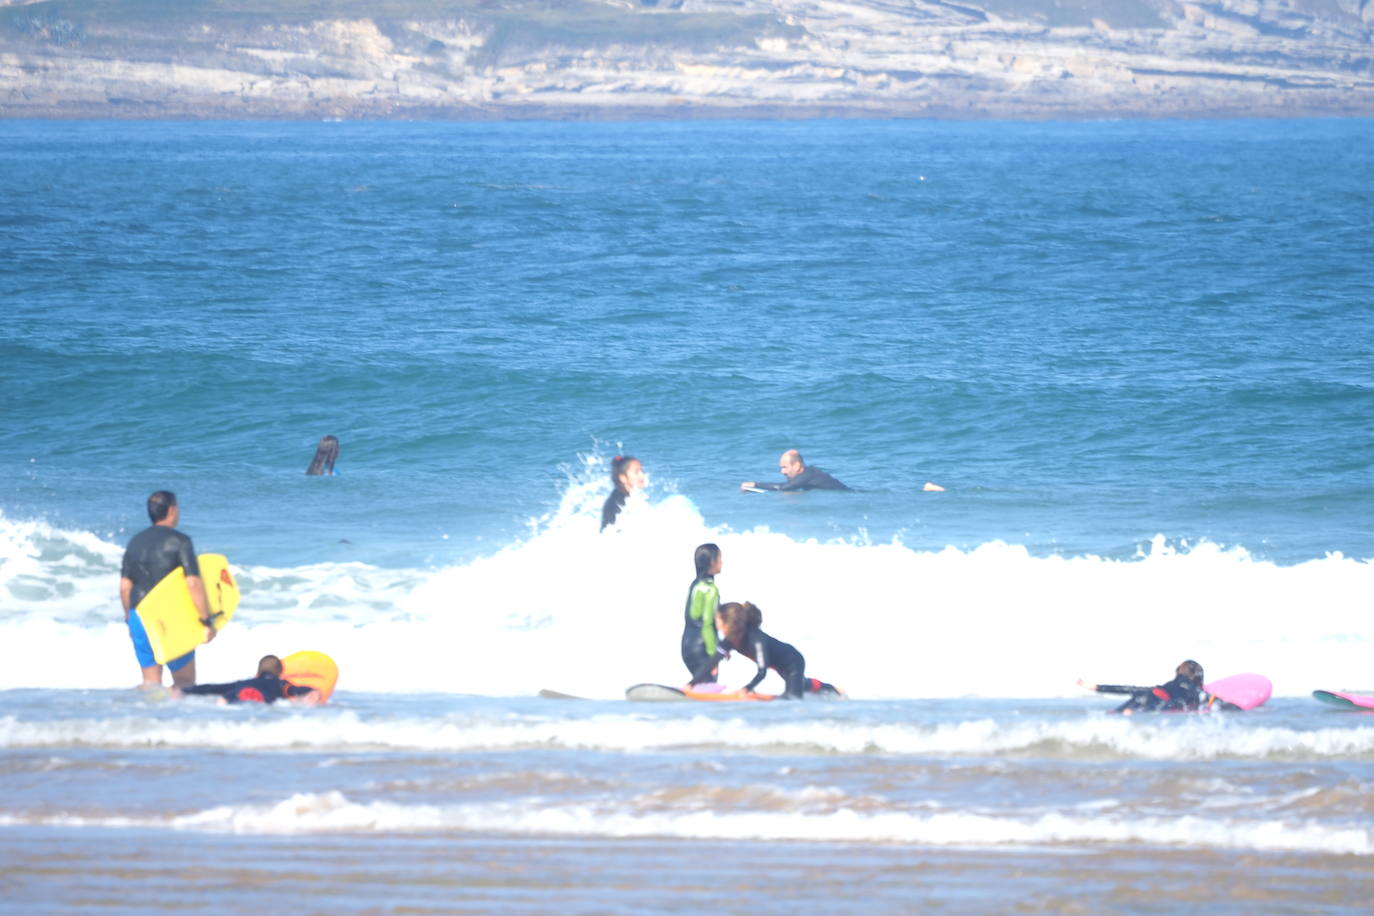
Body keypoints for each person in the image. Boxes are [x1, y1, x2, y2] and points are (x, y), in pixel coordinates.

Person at [119, 490, 214, 688]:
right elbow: (193, 583)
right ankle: (176, 719)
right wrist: (205, 620)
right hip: (170, 618)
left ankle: (149, 718)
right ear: (172, 510)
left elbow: (125, 587)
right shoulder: (180, 541)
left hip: (139, 615)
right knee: (184, 682)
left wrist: (129, 619)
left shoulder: (134, 542)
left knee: (151, 682)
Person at [716, 601, 839, 699]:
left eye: (718, 620)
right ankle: (827, 688)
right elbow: (711, 662)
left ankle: (833, 690)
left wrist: (746, 689)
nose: (716, 624)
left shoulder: (756, 640)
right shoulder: (731, 640)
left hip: (793, 662)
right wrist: (695, 684)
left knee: (792, 698)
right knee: (802, 685)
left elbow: (762, 672)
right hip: (778, 665)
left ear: (728, 622)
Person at [176, 655, 321, 705]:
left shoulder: (244, 682)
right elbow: (294, 690)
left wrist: (184, 690)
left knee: (225, 698)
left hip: (235, 694)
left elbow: (212, 688)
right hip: (261, 699)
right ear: (280, 672)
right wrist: (311, 691)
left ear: (257, 672)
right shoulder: (281, 684)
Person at [1079, 660, 1210, 714]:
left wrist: (1097, 687)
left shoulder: (1170, 685)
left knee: (1115, 715)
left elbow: (1131, 689)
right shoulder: (1194, 691)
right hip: (1159, 703)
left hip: (1145, 696)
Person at [681, 543, 725, 687]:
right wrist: (714, 655)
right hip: (701, 648)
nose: (722, 562)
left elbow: (692, 617)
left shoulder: (694, 585)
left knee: (701, 687)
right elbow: (707, 624)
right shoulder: (710, 590)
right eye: (720, 558)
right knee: (708, 688)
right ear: (712, 562)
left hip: (687, 646)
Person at [741, 449, 851, 492]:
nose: (782, 472)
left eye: (785, 467)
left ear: (797, 466)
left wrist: (755, 484)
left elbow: (783, 487)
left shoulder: (809, 474)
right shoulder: (809, 474)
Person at [600, 455, 647, 531]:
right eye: (636, 472)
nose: (642, 475)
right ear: (623, 478)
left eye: (642, 471)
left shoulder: (627, 495)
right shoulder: (617, 503)